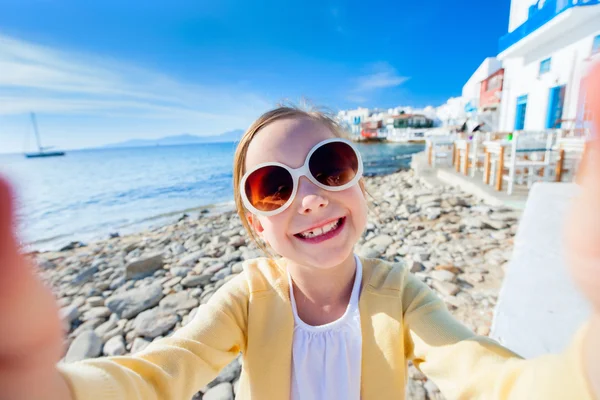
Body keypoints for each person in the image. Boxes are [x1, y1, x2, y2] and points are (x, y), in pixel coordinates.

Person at [1, 64, 600, 400]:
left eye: (329, 166)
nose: (310, 197)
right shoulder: (247, 300)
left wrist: (587, 370)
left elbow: (488, 374)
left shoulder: (400, 295)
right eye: (273, 187)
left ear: (361, 185)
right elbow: (160, 371)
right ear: (257, 226)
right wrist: (48, 390)